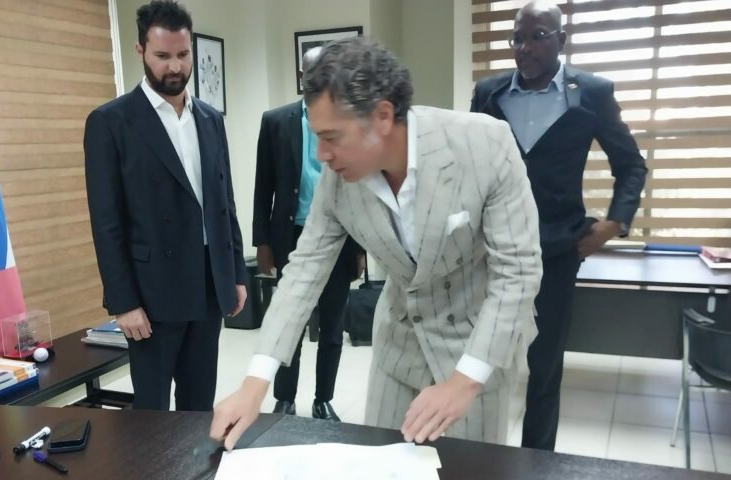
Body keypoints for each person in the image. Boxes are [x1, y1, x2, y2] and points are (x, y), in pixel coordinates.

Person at [211, 37, 542, 450]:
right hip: (398, 349)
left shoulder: (485, 145)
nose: (322, 155)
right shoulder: (338, 181)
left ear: (383, 115)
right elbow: (303, 273)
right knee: (384, 476)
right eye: (316, 137)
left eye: (332, 137)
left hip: (477, 349)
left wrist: (463, 381)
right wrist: (254, 384)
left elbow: (517, 274)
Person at [471, 1, 647, 450]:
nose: (524, 47)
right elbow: (470, 165)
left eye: (537, 36)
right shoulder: (489, 93)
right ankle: (475, 453)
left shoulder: (591, 93)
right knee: (479, 357)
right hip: (491, 249)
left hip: (557, 249)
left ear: (561, 40)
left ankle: (536, 463)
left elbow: (631, 165)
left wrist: (614, 223)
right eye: (517, 38)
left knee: (544, 365)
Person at [84, 0, 247, 411]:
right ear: (140, 50)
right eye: (162, 56)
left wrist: (235, 274)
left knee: (199, 406)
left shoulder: (210, 119)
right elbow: (106, 223)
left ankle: (198, 459)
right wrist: (123, 302)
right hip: (151, 293)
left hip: (207, 283)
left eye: (183, 54)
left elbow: (223, 203)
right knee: (152, 414)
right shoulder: (111, 122)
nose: (175, 67)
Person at [252, 47, 363, 422]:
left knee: (332, 326)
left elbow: (359, 186)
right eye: (309, 74)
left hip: (338, 238)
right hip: (291, 236)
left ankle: (323, 399)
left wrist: (359, 249)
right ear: (301, 76)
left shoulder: (350, 120)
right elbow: (263, 185)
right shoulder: (276, 121)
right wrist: (262, 242)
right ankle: (284, 399)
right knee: (290, 323)